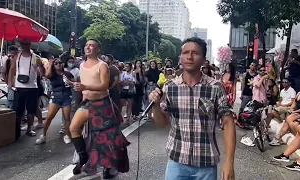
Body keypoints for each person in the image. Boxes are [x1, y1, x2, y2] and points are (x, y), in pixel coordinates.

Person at [149, 37, 235, 180]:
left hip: (206, 164)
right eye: (185, 53)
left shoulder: (215, 87)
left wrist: (229, 163)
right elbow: (162, 123)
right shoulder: (170, 87)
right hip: (176, 162)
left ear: (203, 59)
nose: (189, 57)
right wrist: (155, 106)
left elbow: (228, 123)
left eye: (195, 53)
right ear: (180, 58)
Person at [69, 39, 129, 178]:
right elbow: (84, 86)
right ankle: (83, 156)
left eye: (92, 45)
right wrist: (82, 96)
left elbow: (104, 86)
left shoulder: (102, 66)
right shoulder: (81, 65)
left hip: (102, 105)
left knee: (107, 139)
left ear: (97, 50)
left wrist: (85, 87)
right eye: (86, 45)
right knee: (73, 128)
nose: (88, 47)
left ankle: (110, 167)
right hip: (87, 103)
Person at [8, 39, 45, 138]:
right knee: (18, 110)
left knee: (31, 110)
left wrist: (40, 66)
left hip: (32, 87)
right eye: (23, 43)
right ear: (20, 44)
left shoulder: (35, 57)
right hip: (19, 87)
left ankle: (30, 128)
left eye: (27, 43)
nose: (25, 45)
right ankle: (16, 129)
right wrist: (10, 83)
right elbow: (12, 70)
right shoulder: (17, 56)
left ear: (30, 44)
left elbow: (41, 72)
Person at [35, 58, 74, 145]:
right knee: (49, 117)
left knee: (67, 118)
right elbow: (46, 75)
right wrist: (49, 65)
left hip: (66, 96)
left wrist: (70, 83)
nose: (58, 65)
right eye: (56, 63)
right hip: (56, 97)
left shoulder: (67, 74)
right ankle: (43, 136)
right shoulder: (52, 74)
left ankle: (67, 135)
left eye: (60, 63)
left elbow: (75, 84)